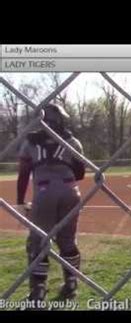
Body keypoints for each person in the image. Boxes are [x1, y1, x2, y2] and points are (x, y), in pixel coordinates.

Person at [17, 103, 85, 306]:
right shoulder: (72, 140)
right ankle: (71, 283)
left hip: (44, 192)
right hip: (71, 191)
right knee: (68, 240)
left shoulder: (30, 141)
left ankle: (38, 289)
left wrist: (21, 201)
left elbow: (23, 174)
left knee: (38, 242)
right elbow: (80, 173)